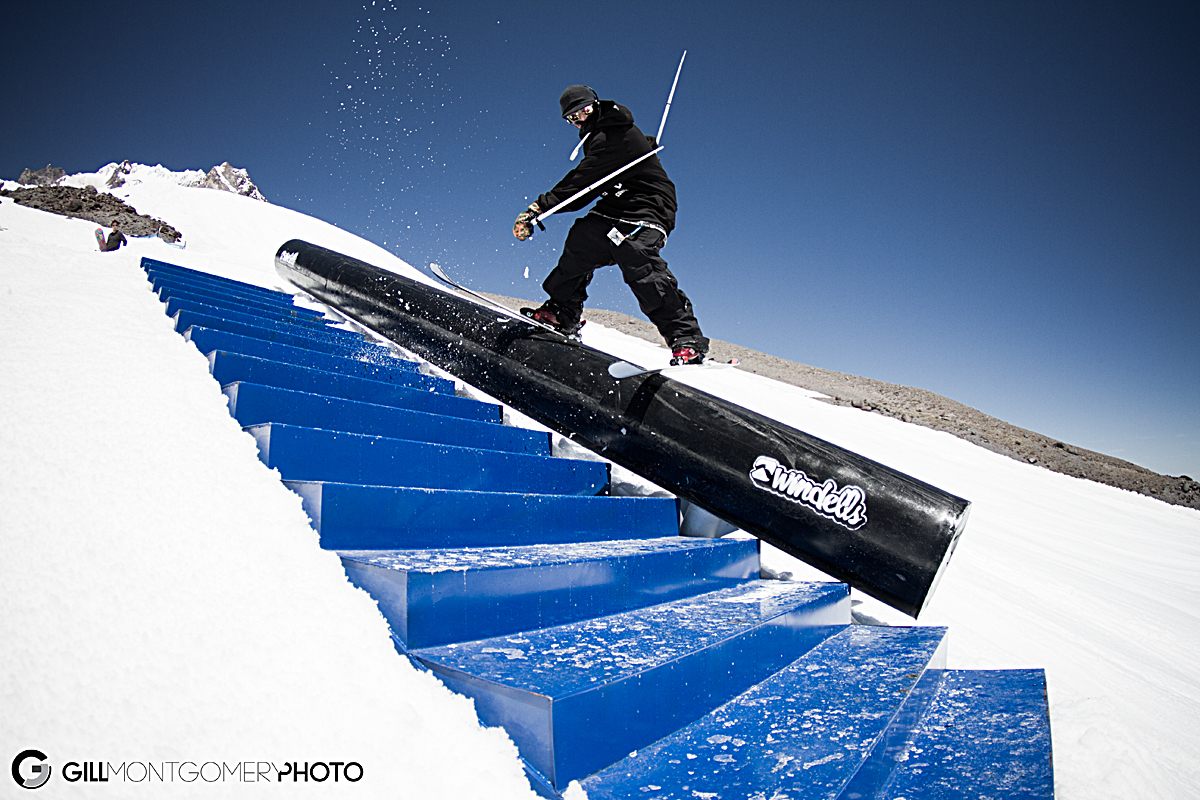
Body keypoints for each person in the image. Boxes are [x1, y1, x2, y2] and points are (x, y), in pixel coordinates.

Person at [513, 85, 709, 365]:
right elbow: (590, 187)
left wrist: (538, 208)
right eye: (572, 118)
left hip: (647, 207)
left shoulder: (613, 131)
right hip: (616, 207)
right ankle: (563, 312)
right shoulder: (600, 137)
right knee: (583, 238)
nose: (580, 119)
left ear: (596, 104)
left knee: (634, 255)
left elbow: (582, 181)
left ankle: (686, 339)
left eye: (584, 111)